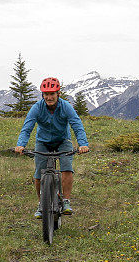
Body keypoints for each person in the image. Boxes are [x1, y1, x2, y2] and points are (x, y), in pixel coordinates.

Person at [14, 77, 90, 218]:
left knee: (66, 167)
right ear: (42, 95)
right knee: (38, 173)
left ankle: (66, 201)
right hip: (43, 142)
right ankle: (41, 204)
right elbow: (27, 128)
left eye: (52, 94)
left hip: (62, 140)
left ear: (58, 94)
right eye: (46, 94)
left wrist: (83, 144)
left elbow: (77, 125)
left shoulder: (65, 106)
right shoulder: (37, 108)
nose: (49, 97)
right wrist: (21, 144)